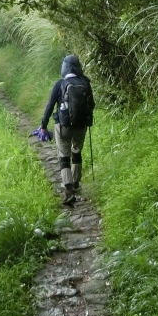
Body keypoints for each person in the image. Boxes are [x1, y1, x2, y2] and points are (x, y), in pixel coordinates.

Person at [38, 54, 94, 206]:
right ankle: (76, 183)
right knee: (76, 152)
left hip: (63, 126)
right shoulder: (85, 83)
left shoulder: (60, 84)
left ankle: (68, 190)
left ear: (64, 67)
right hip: (81, 126)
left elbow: (50, 106)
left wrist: (43, 125)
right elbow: (92, 105)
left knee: (64, 156)